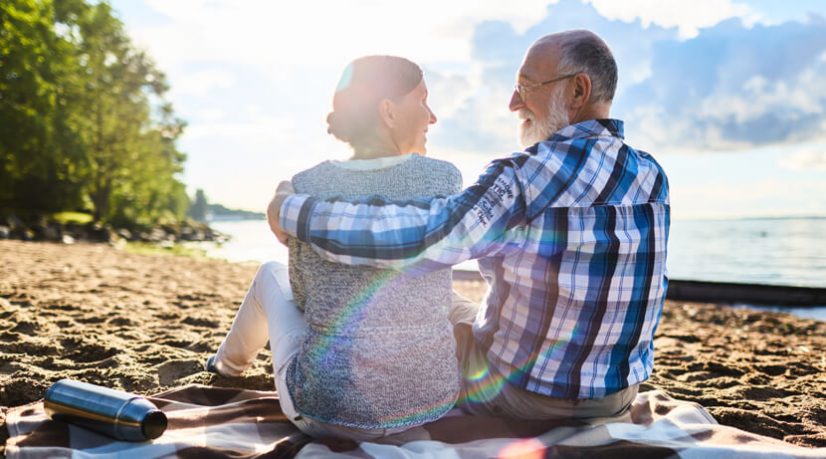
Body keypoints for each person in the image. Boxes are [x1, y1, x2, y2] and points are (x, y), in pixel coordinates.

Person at [270, 30, 670, 421]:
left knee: (420, 308)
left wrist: (294, 211)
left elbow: (421, 239)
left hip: (525, 396)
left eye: (527, 86)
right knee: (449, 304)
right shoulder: (652, 175)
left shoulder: (526, 176)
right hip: (618, 396)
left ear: (577, 91)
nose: (514, 103)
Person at [207, 55, 464, 442]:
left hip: (327, 413)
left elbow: (304, 297)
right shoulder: (445, 178)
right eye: (423, 100)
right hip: (428, 404)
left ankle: (226, 366)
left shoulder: (307, 186)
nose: (432, 116)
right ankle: (226, 364)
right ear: (388, 111)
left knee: (271, 274)